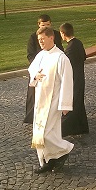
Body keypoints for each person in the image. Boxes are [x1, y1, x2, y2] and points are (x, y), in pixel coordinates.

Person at [27, 26, 74, 174]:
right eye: (39, 40)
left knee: (47, 134)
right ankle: (47, 161)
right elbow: (31, 69)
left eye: (42, 39)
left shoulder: (61, 58)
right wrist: (35, 76)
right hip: (41, 100)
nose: (40, 42)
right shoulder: (41, 55)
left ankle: (64, 150)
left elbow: (67, 81)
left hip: (53, 101)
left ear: (51, 38)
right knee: (40, 133)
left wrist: (65, 104)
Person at [25, 14, 63, 124]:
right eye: (43, 25)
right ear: (38, 25)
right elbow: (30, 55)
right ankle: (33, 116)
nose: (45, 27)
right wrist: (38, 68)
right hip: (38, 69)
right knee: (34, 94)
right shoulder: (33, 37)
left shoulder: (55, 34)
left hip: (52, 68)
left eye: (47, 25)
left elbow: (60, 49)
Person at [59, 23, 88, 136]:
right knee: (78, 102)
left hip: (73, 79)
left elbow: (65, 65)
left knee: (72, 102)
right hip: (80, 76)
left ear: (63, 33)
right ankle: (81, 126)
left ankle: (66, 129)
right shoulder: (78, 42)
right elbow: (84, 57)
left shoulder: (70, 48)